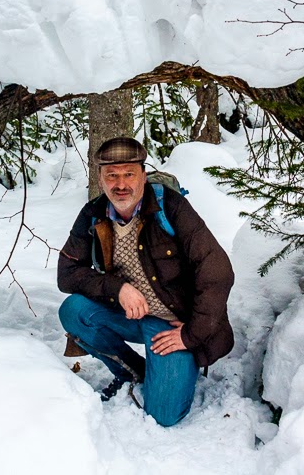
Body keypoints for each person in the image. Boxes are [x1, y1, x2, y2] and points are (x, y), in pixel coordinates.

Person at [57, 137, 234, 426]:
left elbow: (217, 271)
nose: (120, 184)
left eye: (129, 174)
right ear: (100, 178)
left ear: (142, 174)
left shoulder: (170, 207)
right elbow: (67, 274)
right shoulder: (94, 214)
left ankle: (165, 372)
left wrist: (192, 334)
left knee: (164, 414)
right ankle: (132, 372)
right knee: (73, 310)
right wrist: (118, 288)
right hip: (127, 313)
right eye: (111, 175)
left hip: (172, 324)